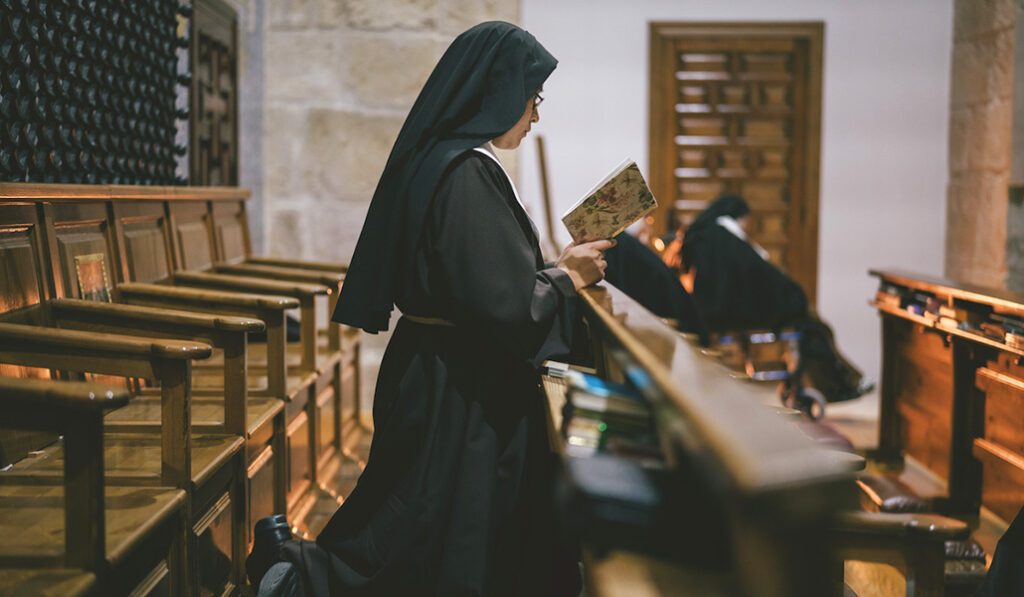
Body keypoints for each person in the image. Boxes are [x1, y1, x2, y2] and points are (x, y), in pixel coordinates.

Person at [250, 21, 612, 597]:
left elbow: (481, 283)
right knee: (424, 536)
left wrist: (557, 271)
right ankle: (297, 578)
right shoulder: (466, 172)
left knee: (424, 523)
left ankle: (293, 566)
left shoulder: (449, 160)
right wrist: (567, 278)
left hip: (441, 369)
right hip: (456, 385)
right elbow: (501, 306)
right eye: (533, 98)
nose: (535, 115)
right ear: (499, 91)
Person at [674, 193, 871, 404]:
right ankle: (838, 385)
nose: (747, 226)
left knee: (813, 328)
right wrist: (794, 296)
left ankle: (843, 381)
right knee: (814, 327)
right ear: (738, 217)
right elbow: (760, 273)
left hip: (717, 311)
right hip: (734, 313)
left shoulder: (704, 234)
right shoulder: (725, 235)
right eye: (746, 220)